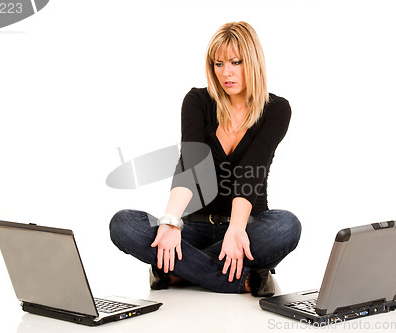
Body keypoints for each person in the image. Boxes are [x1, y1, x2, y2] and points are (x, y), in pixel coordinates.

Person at [109, 21, 301, 296]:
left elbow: (252, 170)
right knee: (123, 223)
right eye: (218, 64)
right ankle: (236, 278)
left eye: (236, 62)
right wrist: (171, 222)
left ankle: (176, 270)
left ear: (253, 62)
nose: (226, 73)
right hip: (196, 228)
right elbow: (190, 165)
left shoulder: (276, 109)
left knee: (287, 226)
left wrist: (236, 230)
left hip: (247, 228)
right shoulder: (197, 101)